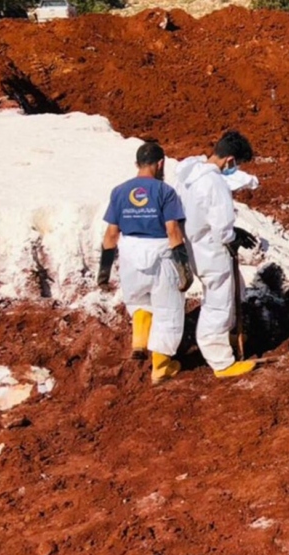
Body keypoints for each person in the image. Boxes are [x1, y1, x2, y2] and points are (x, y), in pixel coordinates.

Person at [97, 141, 193, 384]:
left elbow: (110, 234)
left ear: (137, 164)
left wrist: (104, 271)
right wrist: (184, 268)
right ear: (161, 163)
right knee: (169, 309)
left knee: (139, 299)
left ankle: (139, 342)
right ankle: (161, 366)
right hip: (161, 255)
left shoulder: (119, 192)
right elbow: (173, 231)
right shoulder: (165, 192)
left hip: (130, 253)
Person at [176, 130, 259, 379]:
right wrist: (235, 237)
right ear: (230, 160)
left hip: (194, 246)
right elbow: (223, 228)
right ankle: (221, 361)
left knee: (224, 296)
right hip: (211, 252)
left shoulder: (190, 173)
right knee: (218, 304)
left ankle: (230, 336)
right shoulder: (215, 183)